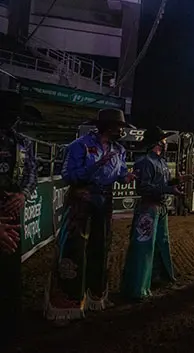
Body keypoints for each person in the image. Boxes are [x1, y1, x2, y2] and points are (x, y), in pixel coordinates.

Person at [45, 109, 135, 323]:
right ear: (107, 127)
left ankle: (95, 295)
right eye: (118, 127)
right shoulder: (80, 145)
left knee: (100, 246)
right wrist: (97, 164)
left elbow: (121, 173)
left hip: (104, 200)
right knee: (74, 247)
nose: (121, 131)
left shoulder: (119, 150)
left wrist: (127, 177)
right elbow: (68, 175)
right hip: (81, 199)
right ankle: (66, 302)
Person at [121, 127, 188, 300]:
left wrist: (175, 182)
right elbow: (143, 187)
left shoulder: (159, 162)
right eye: (164, 140)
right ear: (157, 143)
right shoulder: (145, 162)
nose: (166, 143)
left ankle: (154, 280)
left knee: (159, 243)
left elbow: (162, 183)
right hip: (149, 208)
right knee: (144, 247)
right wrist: (169, 188)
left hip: (158, 207)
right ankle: (137, 288)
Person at [0, 94, 36, 344]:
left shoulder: (23, 142)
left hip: (11, 210)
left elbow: (32, 172)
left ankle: (10, 328)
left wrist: (23, 194)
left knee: (11, 271)